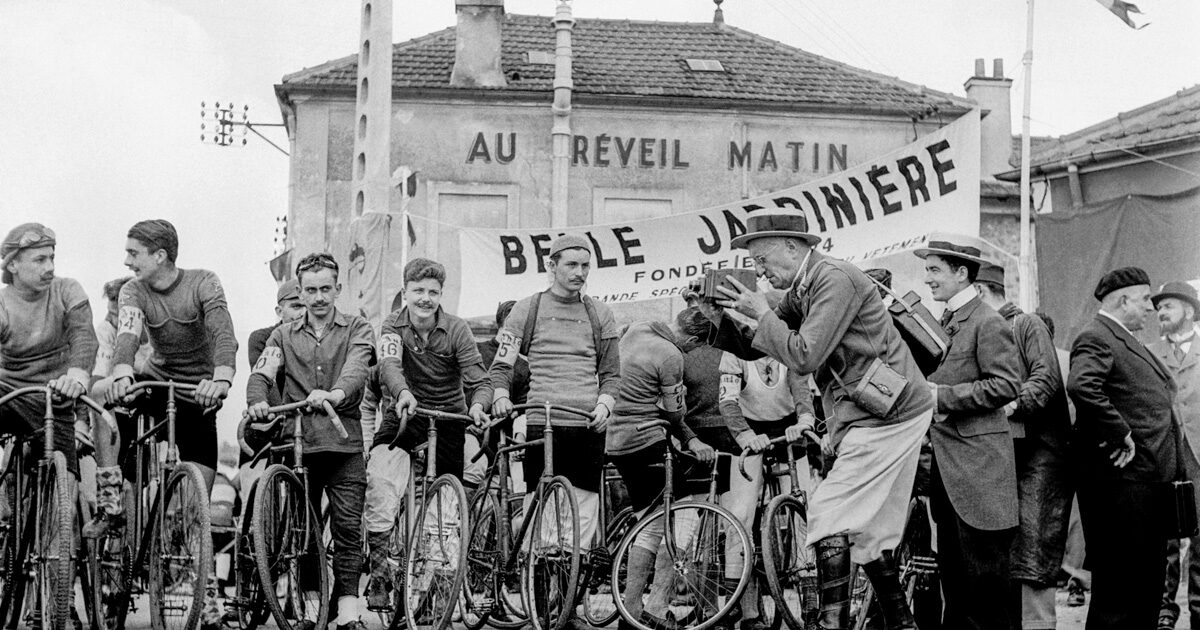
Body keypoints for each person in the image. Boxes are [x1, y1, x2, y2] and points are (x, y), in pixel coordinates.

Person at [696, 214, 933, 630]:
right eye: (754, 264)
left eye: (762, 259)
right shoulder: (805, 285)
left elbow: (804, 355)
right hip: (878, 413)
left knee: (827, 512)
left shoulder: (833, 280)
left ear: (793, 246)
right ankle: (901, 622)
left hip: (885, 415)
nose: (760, 271)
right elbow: (763, 350)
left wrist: (760, 311)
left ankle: (830, 623)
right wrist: (717, 317)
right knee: (869, 532)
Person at [491, 234, 621, 630]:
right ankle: (542, 605)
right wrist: (499, 395)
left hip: (585, 424)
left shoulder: (600, 314)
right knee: (545, 516)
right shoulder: (527, 310)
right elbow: (502, 366)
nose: (579, 273)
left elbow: (612, 375)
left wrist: (604, 405)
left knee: (581, 521)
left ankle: (567, 607)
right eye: (572, 265)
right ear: (552, 266)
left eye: (585, 266)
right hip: (541, 423)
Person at [247, 251, 375, 630]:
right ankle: (311, 608)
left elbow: (356, 368)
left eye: (326, 289)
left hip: (344, 443)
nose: (319, 297)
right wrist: (256, 401)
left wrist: (335, 393)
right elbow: (263, 372)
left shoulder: (357, 328)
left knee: (348, 527)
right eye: (311, 290)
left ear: (338, 289)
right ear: (300, 293)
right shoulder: (281, 335)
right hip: (300, 444)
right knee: (303, 530)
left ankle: (349, 612)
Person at [366, 258, 491, 608]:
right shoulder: (392, 325)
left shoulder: (457, 329)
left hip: (449, 416)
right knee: (380, 475)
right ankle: (379, 571)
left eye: (432, 292)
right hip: (406, 411)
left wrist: (478, 406)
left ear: (441, 295)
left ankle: (439, 589)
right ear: (405, 291)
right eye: (418, 291)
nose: (425, 299)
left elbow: (479, 379)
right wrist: (403, 392)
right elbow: (389, 364)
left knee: (446, 508)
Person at [1068, 267, 1180, 629]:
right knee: (1119, 592)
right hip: (1122, 488)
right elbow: (1083, 386)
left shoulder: (1120, 338)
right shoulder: (1096, 336)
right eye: (1145, 299)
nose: (1150, 308)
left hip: (1144, 484)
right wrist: (1121, 433)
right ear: (1122, 300)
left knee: (1144, 590)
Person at [918, 237, 1021, 630]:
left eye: (934, 270)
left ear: (962, 274)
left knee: (987, 588)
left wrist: (943, 397)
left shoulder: (987, 321)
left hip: (979, 474)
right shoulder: (946, 321)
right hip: (950, 475)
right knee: (957, 586)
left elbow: (1006, 385)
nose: (928, 279)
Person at [975, 264, 1073, 630]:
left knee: (1032, 556)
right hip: (1003, 458)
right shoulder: (984, 330)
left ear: (981, 292)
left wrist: (1012, 405)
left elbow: (1045, 376)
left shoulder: (1025, 324)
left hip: (1038, 457)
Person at [605, 319, 715, 630]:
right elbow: (674, 412)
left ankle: (631, 611)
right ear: (690, 337)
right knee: (682, 518)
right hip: (646, 438)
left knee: (649, 524)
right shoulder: (669, 355)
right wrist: (691, 435)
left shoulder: (628, 334)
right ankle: (656, 605)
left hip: (616, 442)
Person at [718, 352, 815, 630]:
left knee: (803, 514)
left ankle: (810, 605)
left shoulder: (785, 343)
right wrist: (744, 434)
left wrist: (805, 420)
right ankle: (733, 607)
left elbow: (800, 390)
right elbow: (727, 401)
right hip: (748, 429)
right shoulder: (733, 353)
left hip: (789, 427)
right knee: (741, 514)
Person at [0, 223, 98, 470]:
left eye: (52, 258)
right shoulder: (3, 304)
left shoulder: (67, 290)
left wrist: (76, 378)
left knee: (69, 492)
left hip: (54, 399)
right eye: (40, 260)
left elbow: (83, 336)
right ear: (13, 265)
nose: (50, 268)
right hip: (10, 395)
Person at [1149, 281, 1200, 630]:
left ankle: (1199, 606)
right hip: (1163, 453)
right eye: (1159, 307)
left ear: (1190, 311)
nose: (1162, 313)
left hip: (1199, 453)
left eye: (1169, 306)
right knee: (1163, 535)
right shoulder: (1149, 352)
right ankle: (1164, 607)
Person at [239, 280, 304, 498]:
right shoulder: (261, 338)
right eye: (296, 306)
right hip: (269, 420)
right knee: (256, 496)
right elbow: (267, 381)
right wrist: (281, 414)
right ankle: (252, 525)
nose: (303, 312)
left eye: (306, 305)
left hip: (302, 426)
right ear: (279, 310)